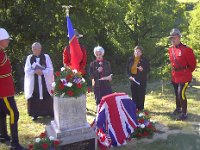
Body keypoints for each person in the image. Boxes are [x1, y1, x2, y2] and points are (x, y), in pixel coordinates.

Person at [0, 28, 27, 150]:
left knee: (1, 113)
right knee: (13, 113)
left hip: (5, 89)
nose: (8, 42)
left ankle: (3, 135)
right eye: (6, 40)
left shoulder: (1, 52)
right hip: (4, 91)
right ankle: (14, 144)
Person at [168, 28, 196, 121]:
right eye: (171, 38)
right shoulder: (170, 49)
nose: (173, 39)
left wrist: (187, 71)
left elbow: (193, 64)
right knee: (177, 93)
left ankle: (184, 113)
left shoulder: (186, 49)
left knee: (181, 93)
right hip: (175, 75)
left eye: (174, 37)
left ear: (179, 37)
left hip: (185, 75)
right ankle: (178, 108)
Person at [24, 42, 54, 121]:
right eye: (34, 49)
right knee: (35, 95)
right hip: (34, 82)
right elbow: (26, 70)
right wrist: (34, 72)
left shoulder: (46, 57)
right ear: (32, 49)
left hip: (44, 80)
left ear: (40, 49)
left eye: (38, 49)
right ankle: (35, 114)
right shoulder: (29, 58)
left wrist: (43, 72)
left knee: (46, 94)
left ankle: (49, 112)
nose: (37, 51)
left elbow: (51, 69)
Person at [127, 46, 150, 110]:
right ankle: (135, 108)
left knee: (141, 95)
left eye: (139, 51)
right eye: (136, 51)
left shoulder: (144, 60)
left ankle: (141, 109)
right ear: (134, 52)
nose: (137, 52)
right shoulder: (130, 59)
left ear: (141, 53)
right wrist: (129, 76)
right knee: (134, 95)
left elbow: (148, 70)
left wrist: (142, 70)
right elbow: (127, 70)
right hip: (133, 79)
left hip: (141, 80)